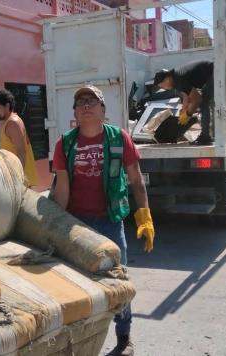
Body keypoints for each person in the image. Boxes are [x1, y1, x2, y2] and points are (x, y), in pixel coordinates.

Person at [52, 85, 155, 356]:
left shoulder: (119, 138)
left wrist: (144, 216)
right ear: (74, 112)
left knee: (118, 281)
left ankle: (124, 339)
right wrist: (55, 227)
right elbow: (62, 188)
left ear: (103, 110)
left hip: (110, 221)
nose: (86, 105)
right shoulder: (66, 143)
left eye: (92, 101)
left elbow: (136, 180)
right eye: (80, 102)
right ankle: (80, 340)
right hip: (77, 223)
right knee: (76, 283)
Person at [0, 89, 39, 187]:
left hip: (20, 180)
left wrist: (18, 180)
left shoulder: (13, 123)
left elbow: (21, 152)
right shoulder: (8, 121)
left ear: (7, 106)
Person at [154, 60, 214, 145]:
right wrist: (183, 111)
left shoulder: (178, 78)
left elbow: (197, 99)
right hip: (211, 73)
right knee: (208, 102)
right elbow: (186, 95)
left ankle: (205, 137)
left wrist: (188, 115)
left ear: (166, 79)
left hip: (214, 72)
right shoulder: (176, 78)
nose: (165, 88)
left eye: (162, 85)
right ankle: (209, 135)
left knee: (203, 102)